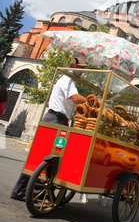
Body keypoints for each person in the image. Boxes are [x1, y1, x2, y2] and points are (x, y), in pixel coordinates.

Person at [10, 57, 87, 201]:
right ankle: (25, 190)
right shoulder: (67, 79)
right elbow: (75, 98)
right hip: (55, 120)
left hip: (58, 120)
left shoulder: (70, 80)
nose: (82, 71)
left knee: (44, 156)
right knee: (47, 156)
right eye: (81, 67)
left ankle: (33, 189)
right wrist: (91, 99)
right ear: (72, 66)